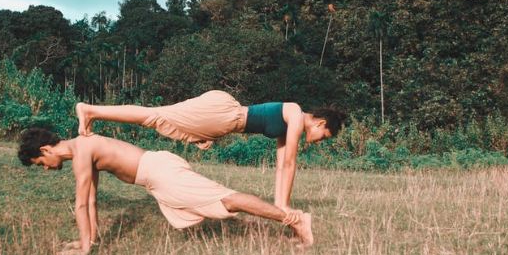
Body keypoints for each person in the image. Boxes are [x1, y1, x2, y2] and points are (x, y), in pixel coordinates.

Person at [17, 127, 313, 255]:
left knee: (227, 200)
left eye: (40, 163)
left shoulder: (81, 151)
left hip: (160, 173)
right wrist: (88, 240)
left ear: (45, 150)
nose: (45, 169)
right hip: (157, 176)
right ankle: (292, 220)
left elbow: (81, 204)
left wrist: (83, 249)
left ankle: (295, 219)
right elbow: (91, 201)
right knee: (225, 201)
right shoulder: (82, 149)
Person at [74, 91, 344, 210]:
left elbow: (281, 167)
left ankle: (92, 112)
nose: (319, 140)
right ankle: (90, 110)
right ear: (320, 123)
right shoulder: (295, 114)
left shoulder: (287, 127)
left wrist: (280, 205)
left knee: (158, 117)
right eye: (324, 136)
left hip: (222, 121)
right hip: (224, 114)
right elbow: (290, 164)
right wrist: (283, 206)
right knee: (154, 116)